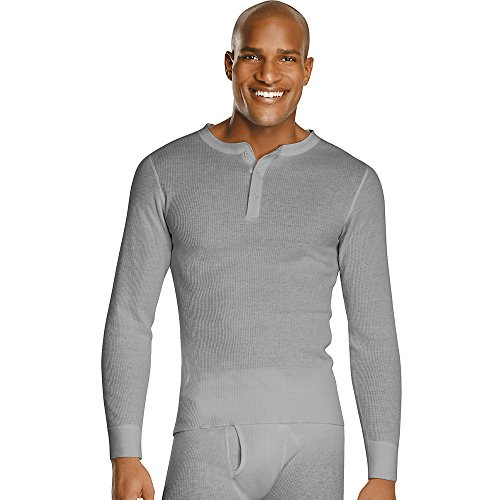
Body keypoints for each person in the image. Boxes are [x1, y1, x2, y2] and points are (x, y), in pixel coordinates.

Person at [101, 1, 402, 499]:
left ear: (307, 69)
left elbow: (372, 332)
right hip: (204, 433)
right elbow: (131, 317)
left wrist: (383, 471)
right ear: (229, 63)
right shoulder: (164, 172)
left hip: (313, 441)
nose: (268, 74)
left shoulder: (353, 182)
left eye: (287, 58)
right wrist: (124, 453)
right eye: (252, 56)